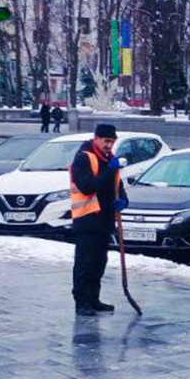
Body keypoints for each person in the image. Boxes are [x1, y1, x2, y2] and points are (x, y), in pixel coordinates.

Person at [70, 123, 129, 316]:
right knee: (85, 263)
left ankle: (94, 299)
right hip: (86, 218)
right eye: (106, 141)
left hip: (104, 220)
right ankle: (82, 303)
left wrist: (122, 200)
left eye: (112, 142)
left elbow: (117, 186)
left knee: (98, 263)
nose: (109, 145)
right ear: (96, 138)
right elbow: (88, 186)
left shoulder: (109, 159)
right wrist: (110, 170)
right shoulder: (83, 158)